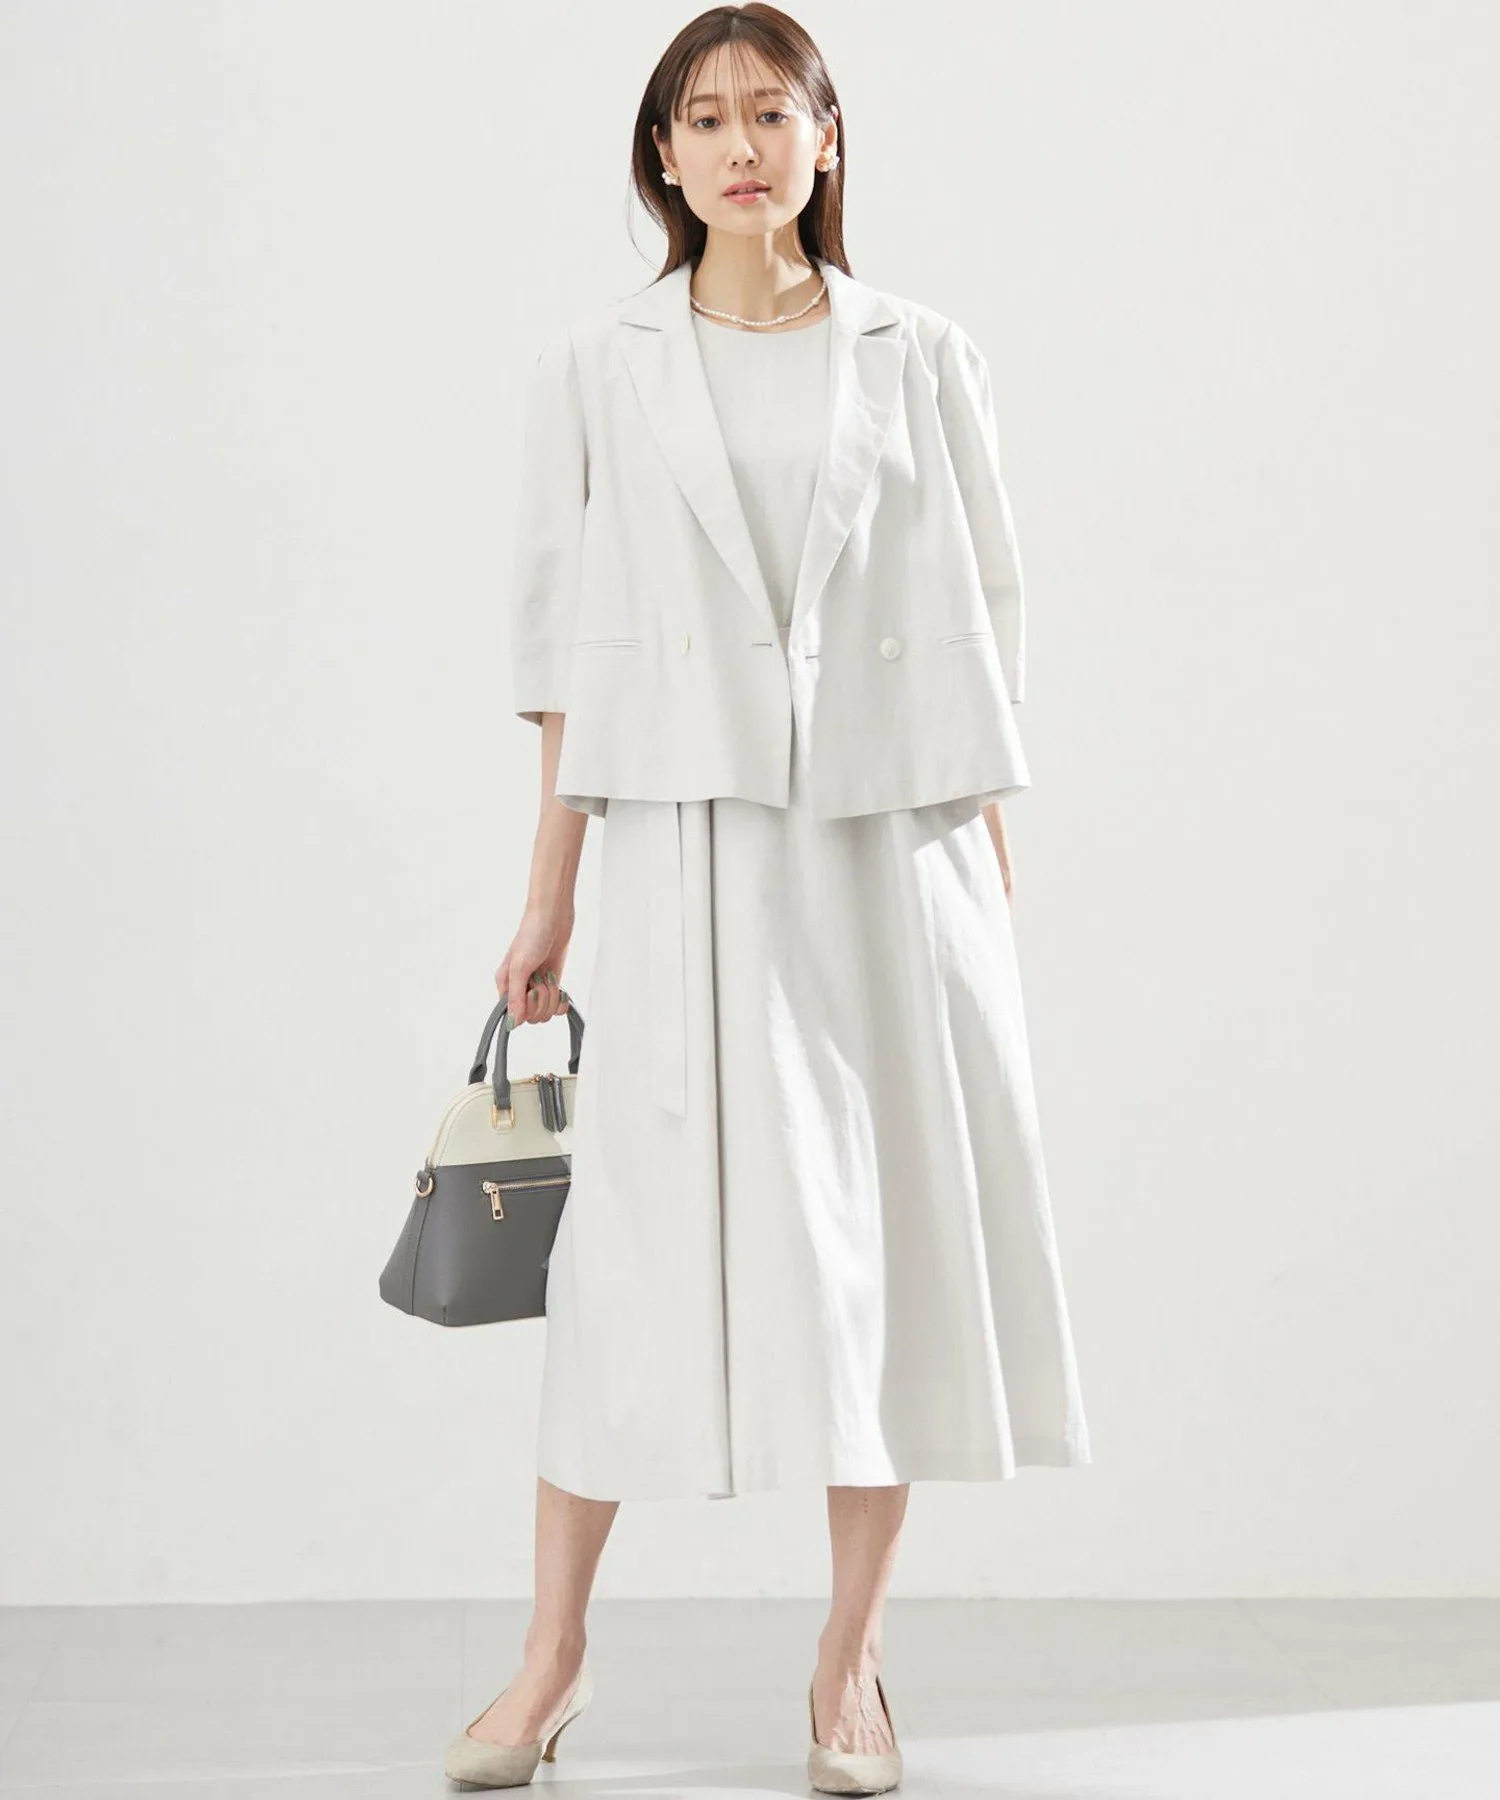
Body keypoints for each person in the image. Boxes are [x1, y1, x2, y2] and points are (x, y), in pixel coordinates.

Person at [446, 5, 1092, 1791]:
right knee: (628, 1257)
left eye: (772, 113)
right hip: (683, 845)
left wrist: (983, 867)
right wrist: (548, 899)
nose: (741, 146)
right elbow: (565, 659)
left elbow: (985, 613)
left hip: (887, 848)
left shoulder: (921, 354)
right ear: (663, 156)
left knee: (882, 1245)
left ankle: (850, 1665)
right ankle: (553, 1657)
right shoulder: (597, 368)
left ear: (828, 137)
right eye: (706, 118)